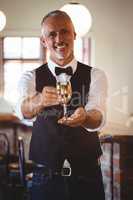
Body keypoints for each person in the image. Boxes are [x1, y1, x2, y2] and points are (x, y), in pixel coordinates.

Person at [16, 10, 108, 200]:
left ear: (74, 35)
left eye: (65, 31)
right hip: (45, 177)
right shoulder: (29, 77)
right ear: (44, 41)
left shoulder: (96, 75)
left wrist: (86, 117)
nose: (59, 38)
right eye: (52, 34)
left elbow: (98, 115)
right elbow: (22, 110)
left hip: (88, 175)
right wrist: (39, 101)